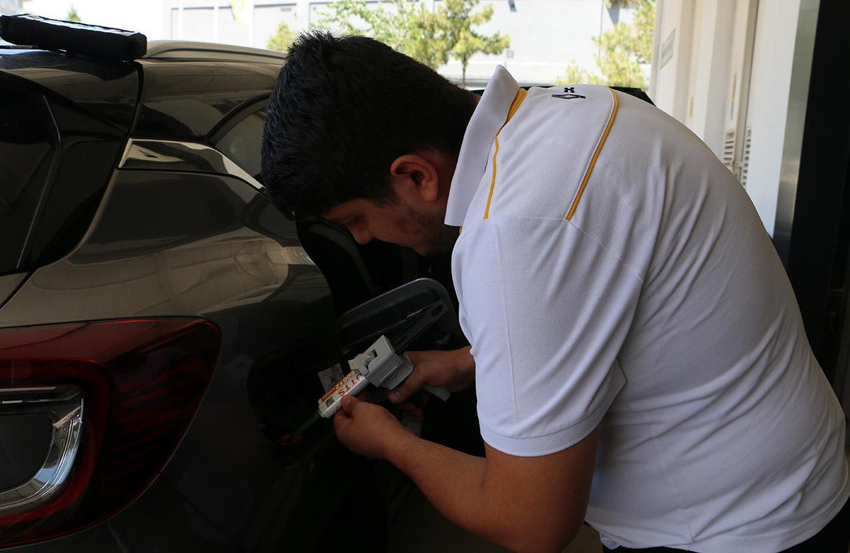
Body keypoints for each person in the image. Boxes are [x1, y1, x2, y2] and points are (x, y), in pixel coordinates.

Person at [261, 31, 850, 553]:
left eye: (354, 220)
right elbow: (616, 307)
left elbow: (529, 523)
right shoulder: (575, 111)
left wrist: (392, 445)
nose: (363, 240)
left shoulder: (514, 231)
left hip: (733, 530)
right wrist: (470, 364)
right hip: (798, 476)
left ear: (416, 176)